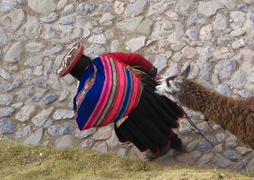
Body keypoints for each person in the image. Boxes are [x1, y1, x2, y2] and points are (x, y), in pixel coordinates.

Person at [56, 42, 184, 159]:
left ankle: (166, 146)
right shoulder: (106, 60)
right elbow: (136, 59)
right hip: (146, 92)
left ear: (75, 75)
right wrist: (153, 74)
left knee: (147, 128)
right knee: (158, 119)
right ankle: (177, 144)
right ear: (86, 58)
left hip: (129, 116)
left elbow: (85, 116)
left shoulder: (84, 94)